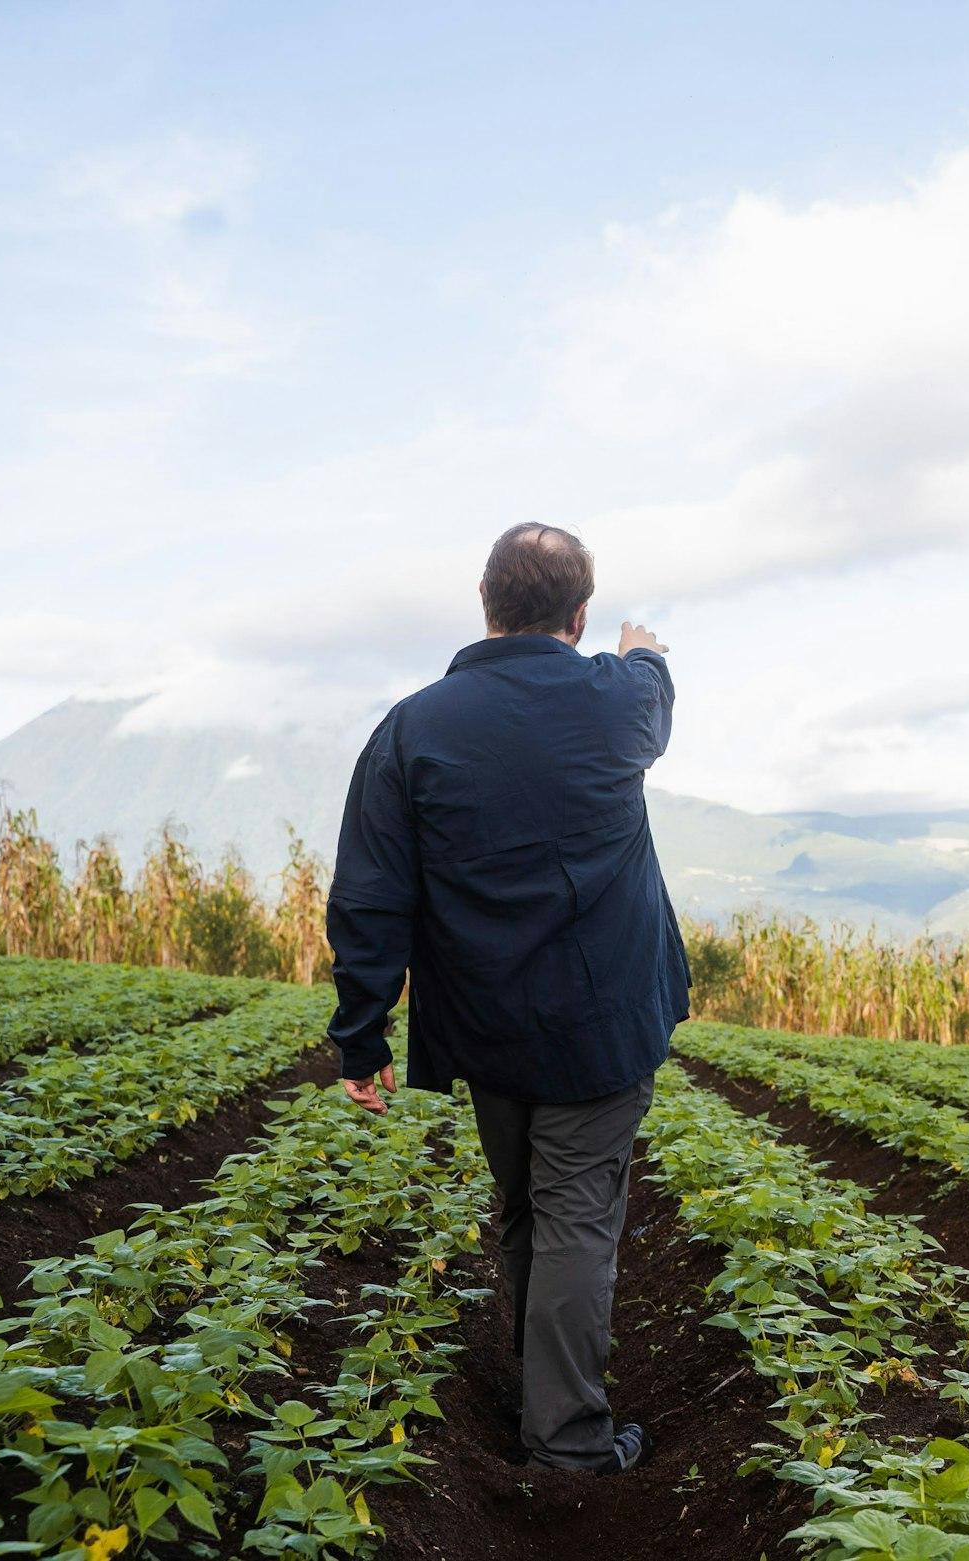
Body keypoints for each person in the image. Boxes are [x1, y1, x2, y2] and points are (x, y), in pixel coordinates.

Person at [323, 522, 690, 1478]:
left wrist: (361, 1036)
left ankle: (546, 1388)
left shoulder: (413, 726)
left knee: (527, 1203)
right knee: (574, 1216)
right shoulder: (616, 700)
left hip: (486, 1024)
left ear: (485, 606)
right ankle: (566, 1437)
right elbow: (652, 687)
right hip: (603, 1020)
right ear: (577, 616)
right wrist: (641, 647)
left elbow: (369, 893)